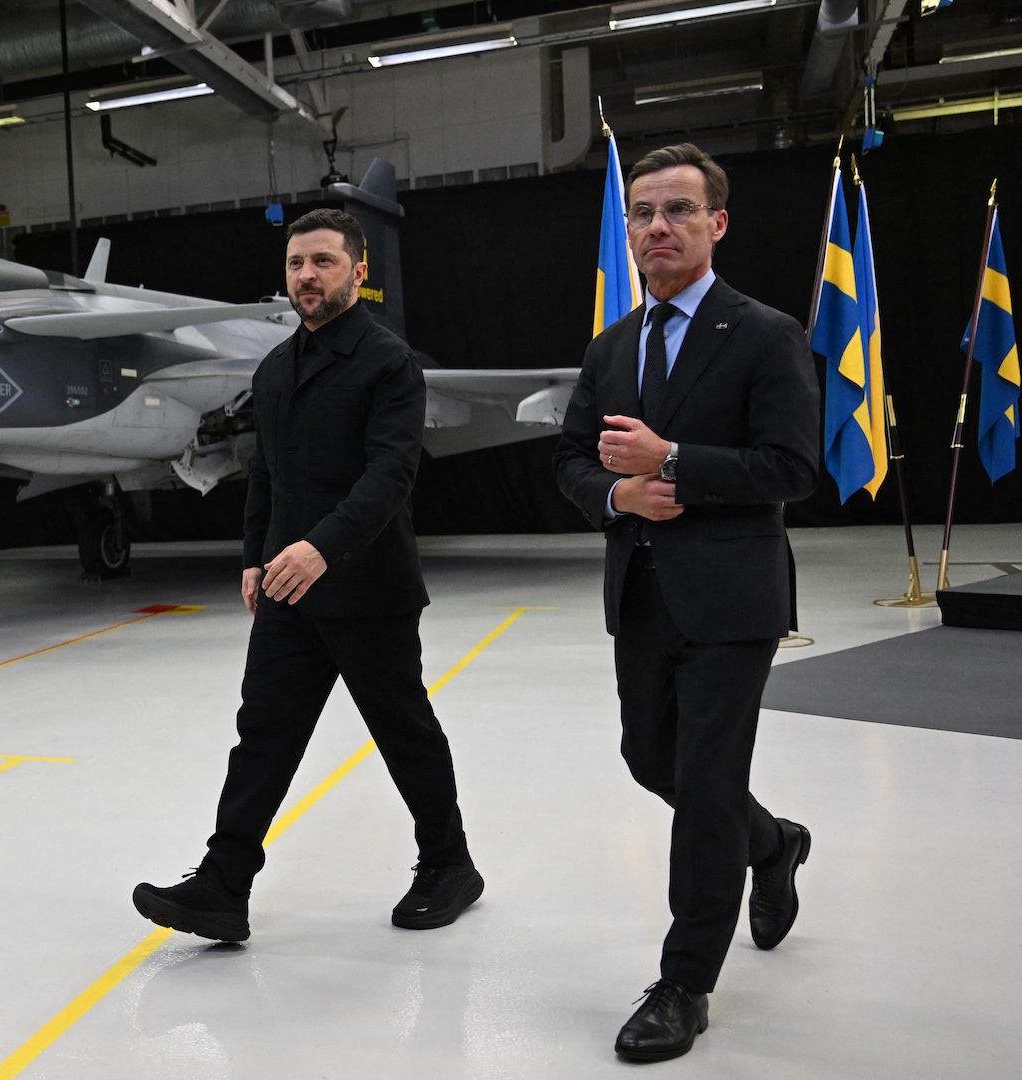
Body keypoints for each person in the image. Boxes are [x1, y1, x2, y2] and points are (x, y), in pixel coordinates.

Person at [132, 208, 483, 943]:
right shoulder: (274, 368)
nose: (307, 276)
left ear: (358, 271)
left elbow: (390, 475)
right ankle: (224, 885)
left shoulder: (388, 363)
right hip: (288, 588)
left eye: (323, 261)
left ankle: (450, 866)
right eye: (296, 264)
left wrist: (320, 548)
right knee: (262, 733)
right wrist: (253, 556)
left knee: (403, 731)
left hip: (368, 588)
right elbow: (267, 473)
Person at [552, 143, 818, 1063]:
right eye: (643, 213)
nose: (657, 227)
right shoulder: (612, 346)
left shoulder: (765, 333)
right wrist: (617, 495)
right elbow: (570, 462)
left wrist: (671, 462)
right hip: (641, 593)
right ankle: (773, 844)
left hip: (733, 599)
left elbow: (792, 467)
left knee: (704, 786)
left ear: (717, 224)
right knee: (650, 758)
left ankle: (685, 983)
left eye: (678, 210)